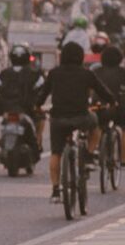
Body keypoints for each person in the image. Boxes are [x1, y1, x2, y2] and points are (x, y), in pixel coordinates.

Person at [35, 42, 115, 202]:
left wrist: (38, 107)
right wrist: (112, 102)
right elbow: (103, 91)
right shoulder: (86, 74)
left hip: (58, 119)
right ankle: (90, 155)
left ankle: (56, 191)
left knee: (56, 153)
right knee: (96, 125)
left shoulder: (54, 73)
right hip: (82, 117)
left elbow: (42, 95)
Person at [0, 44, 46, 151]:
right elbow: (41, 89)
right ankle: (38, 143)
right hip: (27, 109)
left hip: (6, 108)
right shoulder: (36, 74)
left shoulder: (4, 73)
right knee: (41, 118)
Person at [93, 46, 125, 163]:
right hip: (119, 109)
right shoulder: (123, 73)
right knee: (123, 128)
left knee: (97, 125)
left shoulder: (96, 72)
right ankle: (123, 158)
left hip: (99, 107)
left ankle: (95, 149)